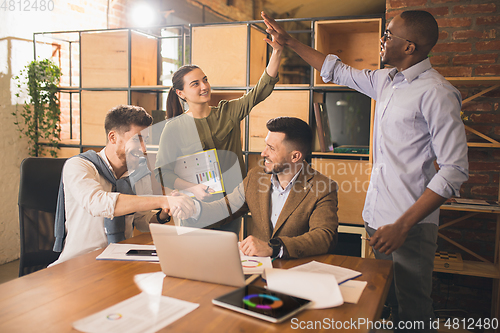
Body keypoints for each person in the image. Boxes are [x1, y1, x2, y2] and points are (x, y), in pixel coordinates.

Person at [262, 10, 469, 331]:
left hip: (408, 228)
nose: (382, 41)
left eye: (388, 35)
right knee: (384, 302)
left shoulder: (437, 93)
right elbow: (336, 69)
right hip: (378, 221)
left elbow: (454, 171)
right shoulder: (386, 82)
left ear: (410, 47)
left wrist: (401, 226)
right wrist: (288, 42)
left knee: (413, 310)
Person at [154, 14, 283, 203]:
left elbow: (260, 91)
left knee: (231, 235)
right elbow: (162, 173)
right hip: (194, 206)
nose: (204, 86)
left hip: (232, 203)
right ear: (180, 93)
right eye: (195, 84)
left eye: (205, 80)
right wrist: (192, 188)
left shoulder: (228, 111)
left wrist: (277, 52)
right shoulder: (173, 128)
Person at [176, 117, 339, 259]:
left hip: (296, 273)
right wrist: (193, 209)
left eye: (271, 148)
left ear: (295, 156)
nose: (263, 153)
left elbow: (323, 237)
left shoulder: (323, 187)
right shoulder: (255, 177)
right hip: (257, 270)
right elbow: (225, 208)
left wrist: (274, 248)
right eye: (265, 145)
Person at [51, 105, 195, 265]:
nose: (143, 148)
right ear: (112, 137)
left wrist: (162, 214)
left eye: (145, 140)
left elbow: (140, 220)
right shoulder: (79, 166)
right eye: (137, 139)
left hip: (121, 259)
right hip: (79, 262)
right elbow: (98, 204)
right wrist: (163, 200)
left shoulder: (140, 173)